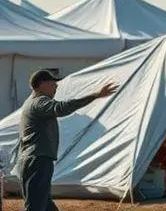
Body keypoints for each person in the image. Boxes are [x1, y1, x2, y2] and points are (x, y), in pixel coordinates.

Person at [18, 70, 118, 211]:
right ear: (41, 84)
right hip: (38, 160)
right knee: (36, 206)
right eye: (53, 84)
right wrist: (95, 95)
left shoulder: (31, 103)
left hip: (35, 159)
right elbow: (61, 108)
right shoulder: (39, 102)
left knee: (45, 205)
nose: (56, 87)